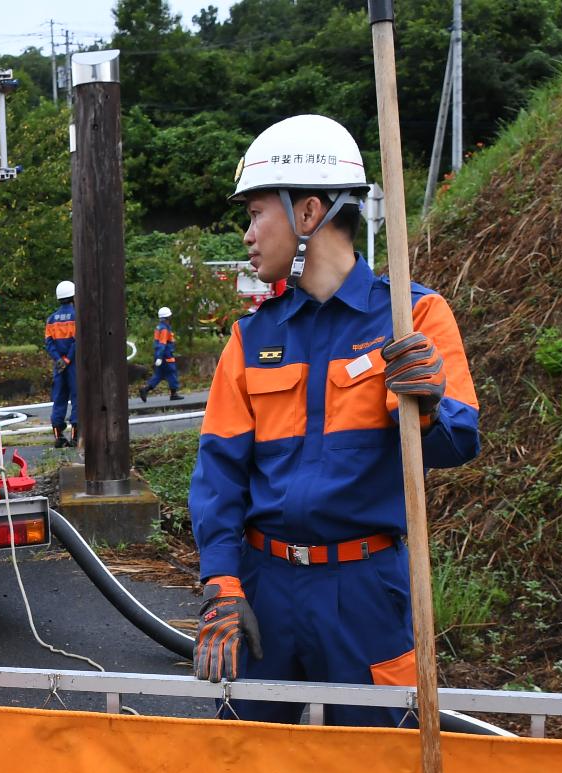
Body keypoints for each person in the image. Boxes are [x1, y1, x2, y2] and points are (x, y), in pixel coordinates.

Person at [187, 113, 479, 727]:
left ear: (309, 213)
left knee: (380, 767)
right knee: (250, 766)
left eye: (256, 213)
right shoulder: (251, 337)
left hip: (365, 592)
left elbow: (460, 440)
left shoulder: (413, 317)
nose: (247, 234)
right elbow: (218, 474)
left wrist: (426, 406)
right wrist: (222, 582)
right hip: (264, 587)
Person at [45, 279, 77, 448]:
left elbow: (48, 343)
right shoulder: (77, 316)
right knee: (77, 397)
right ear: (73, 296)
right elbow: (77, 341)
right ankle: (76, 436)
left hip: (58, 365)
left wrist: (58, 359)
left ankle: (58, 436)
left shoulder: (51, 320)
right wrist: (68, 359)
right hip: (72, 365)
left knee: (59, 398)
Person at [141, 305, 181, 402]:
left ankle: (145, 389)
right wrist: (160, 357)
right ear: (167, 317)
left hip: (160, 355)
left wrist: (158, 356)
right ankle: (174, 394)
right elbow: (162, 343)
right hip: (166, 356)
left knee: (159, 375)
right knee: (172, 373)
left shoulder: (159, 327)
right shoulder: (164, 329)